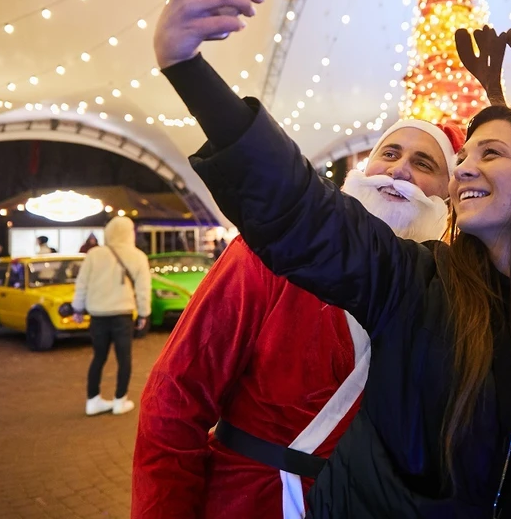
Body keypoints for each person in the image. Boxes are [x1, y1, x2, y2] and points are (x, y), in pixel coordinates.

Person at [152, 0, 511, 517]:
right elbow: (302, 212)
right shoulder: (415, 284)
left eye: (489, 154)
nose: (464, 169)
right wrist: (188, 70)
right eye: (463, 158)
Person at [132, 118, 462, 518]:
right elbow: (175, 398)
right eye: (389, 153)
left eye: (424, 164)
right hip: (247, 500)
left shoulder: (451, 295)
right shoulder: (267, 254)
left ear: (448, 197)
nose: (398, 171)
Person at [73, 216, 152, 416]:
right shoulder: (138, 256)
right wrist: (144, 313)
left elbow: (82, 283)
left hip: (98, 314)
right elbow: (143, 289)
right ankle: (120, 400)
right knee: (124, 358)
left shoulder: (94, 254)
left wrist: (78, 308)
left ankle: (92, 400)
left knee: (98, 357)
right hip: (123, 314)